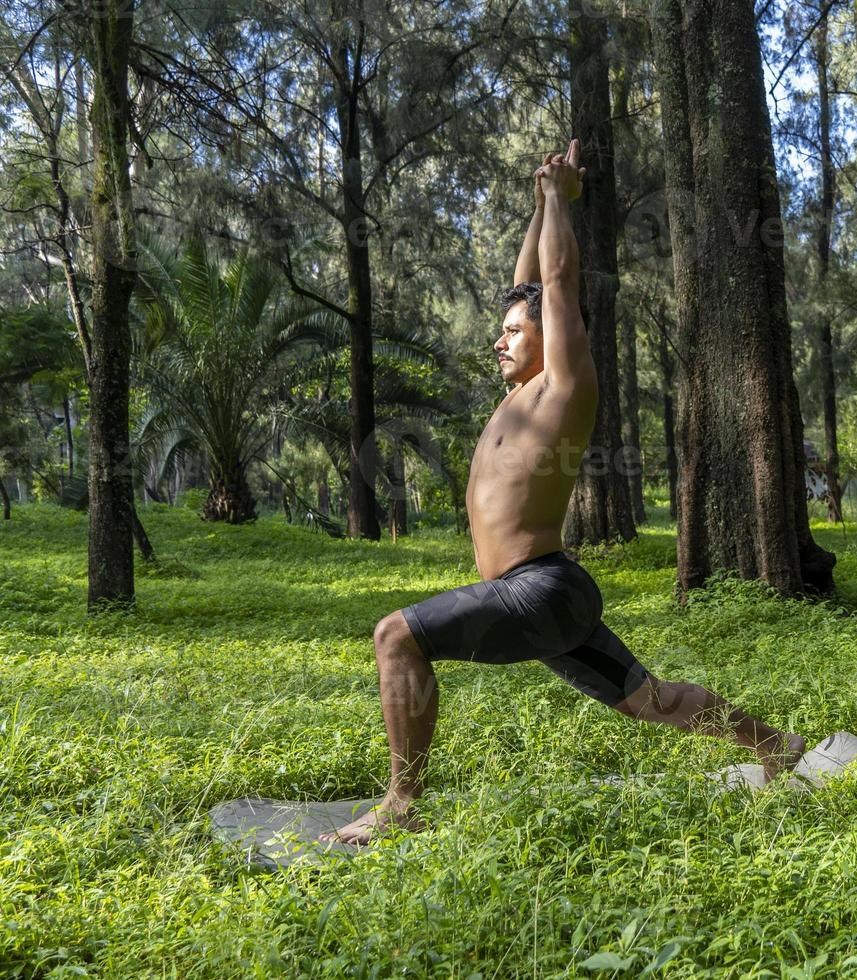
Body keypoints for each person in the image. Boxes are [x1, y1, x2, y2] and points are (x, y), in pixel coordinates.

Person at [324, 140, 806, 844]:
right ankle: (776, 746)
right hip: (549, 592)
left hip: (540, 590)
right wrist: (537, 199)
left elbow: (553, 283)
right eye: (500, 331)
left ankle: (402, 802)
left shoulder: (563, 388)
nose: (499, 340)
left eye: (512, 331)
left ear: (554, 335)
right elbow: (528, 283)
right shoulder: (521, 392)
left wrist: (559, 202)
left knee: (395, 636)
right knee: (654, 700)